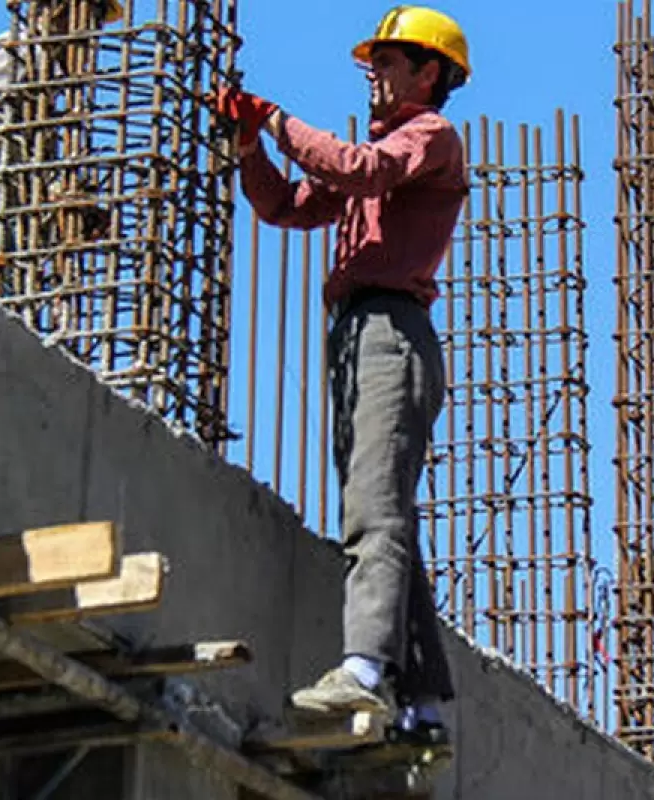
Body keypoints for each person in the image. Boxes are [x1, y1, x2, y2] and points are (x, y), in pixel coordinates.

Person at [208, 6, 470, 748]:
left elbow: (359, 170)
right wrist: (249, 144)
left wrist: (278, 119)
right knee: (379, 512)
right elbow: (283, 205)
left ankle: (363, 669)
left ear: (431, 73)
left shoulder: (430, 139)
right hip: (357, 333)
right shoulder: (382, 149)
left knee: (375, 510)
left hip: (392, 331)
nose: (374, 72)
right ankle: (421, 701)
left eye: (390, 60)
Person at [0, 0, 121, 297]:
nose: (93, 33)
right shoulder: (24, 51)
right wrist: (37, 184)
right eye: (92, 14)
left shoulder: (35, 69)